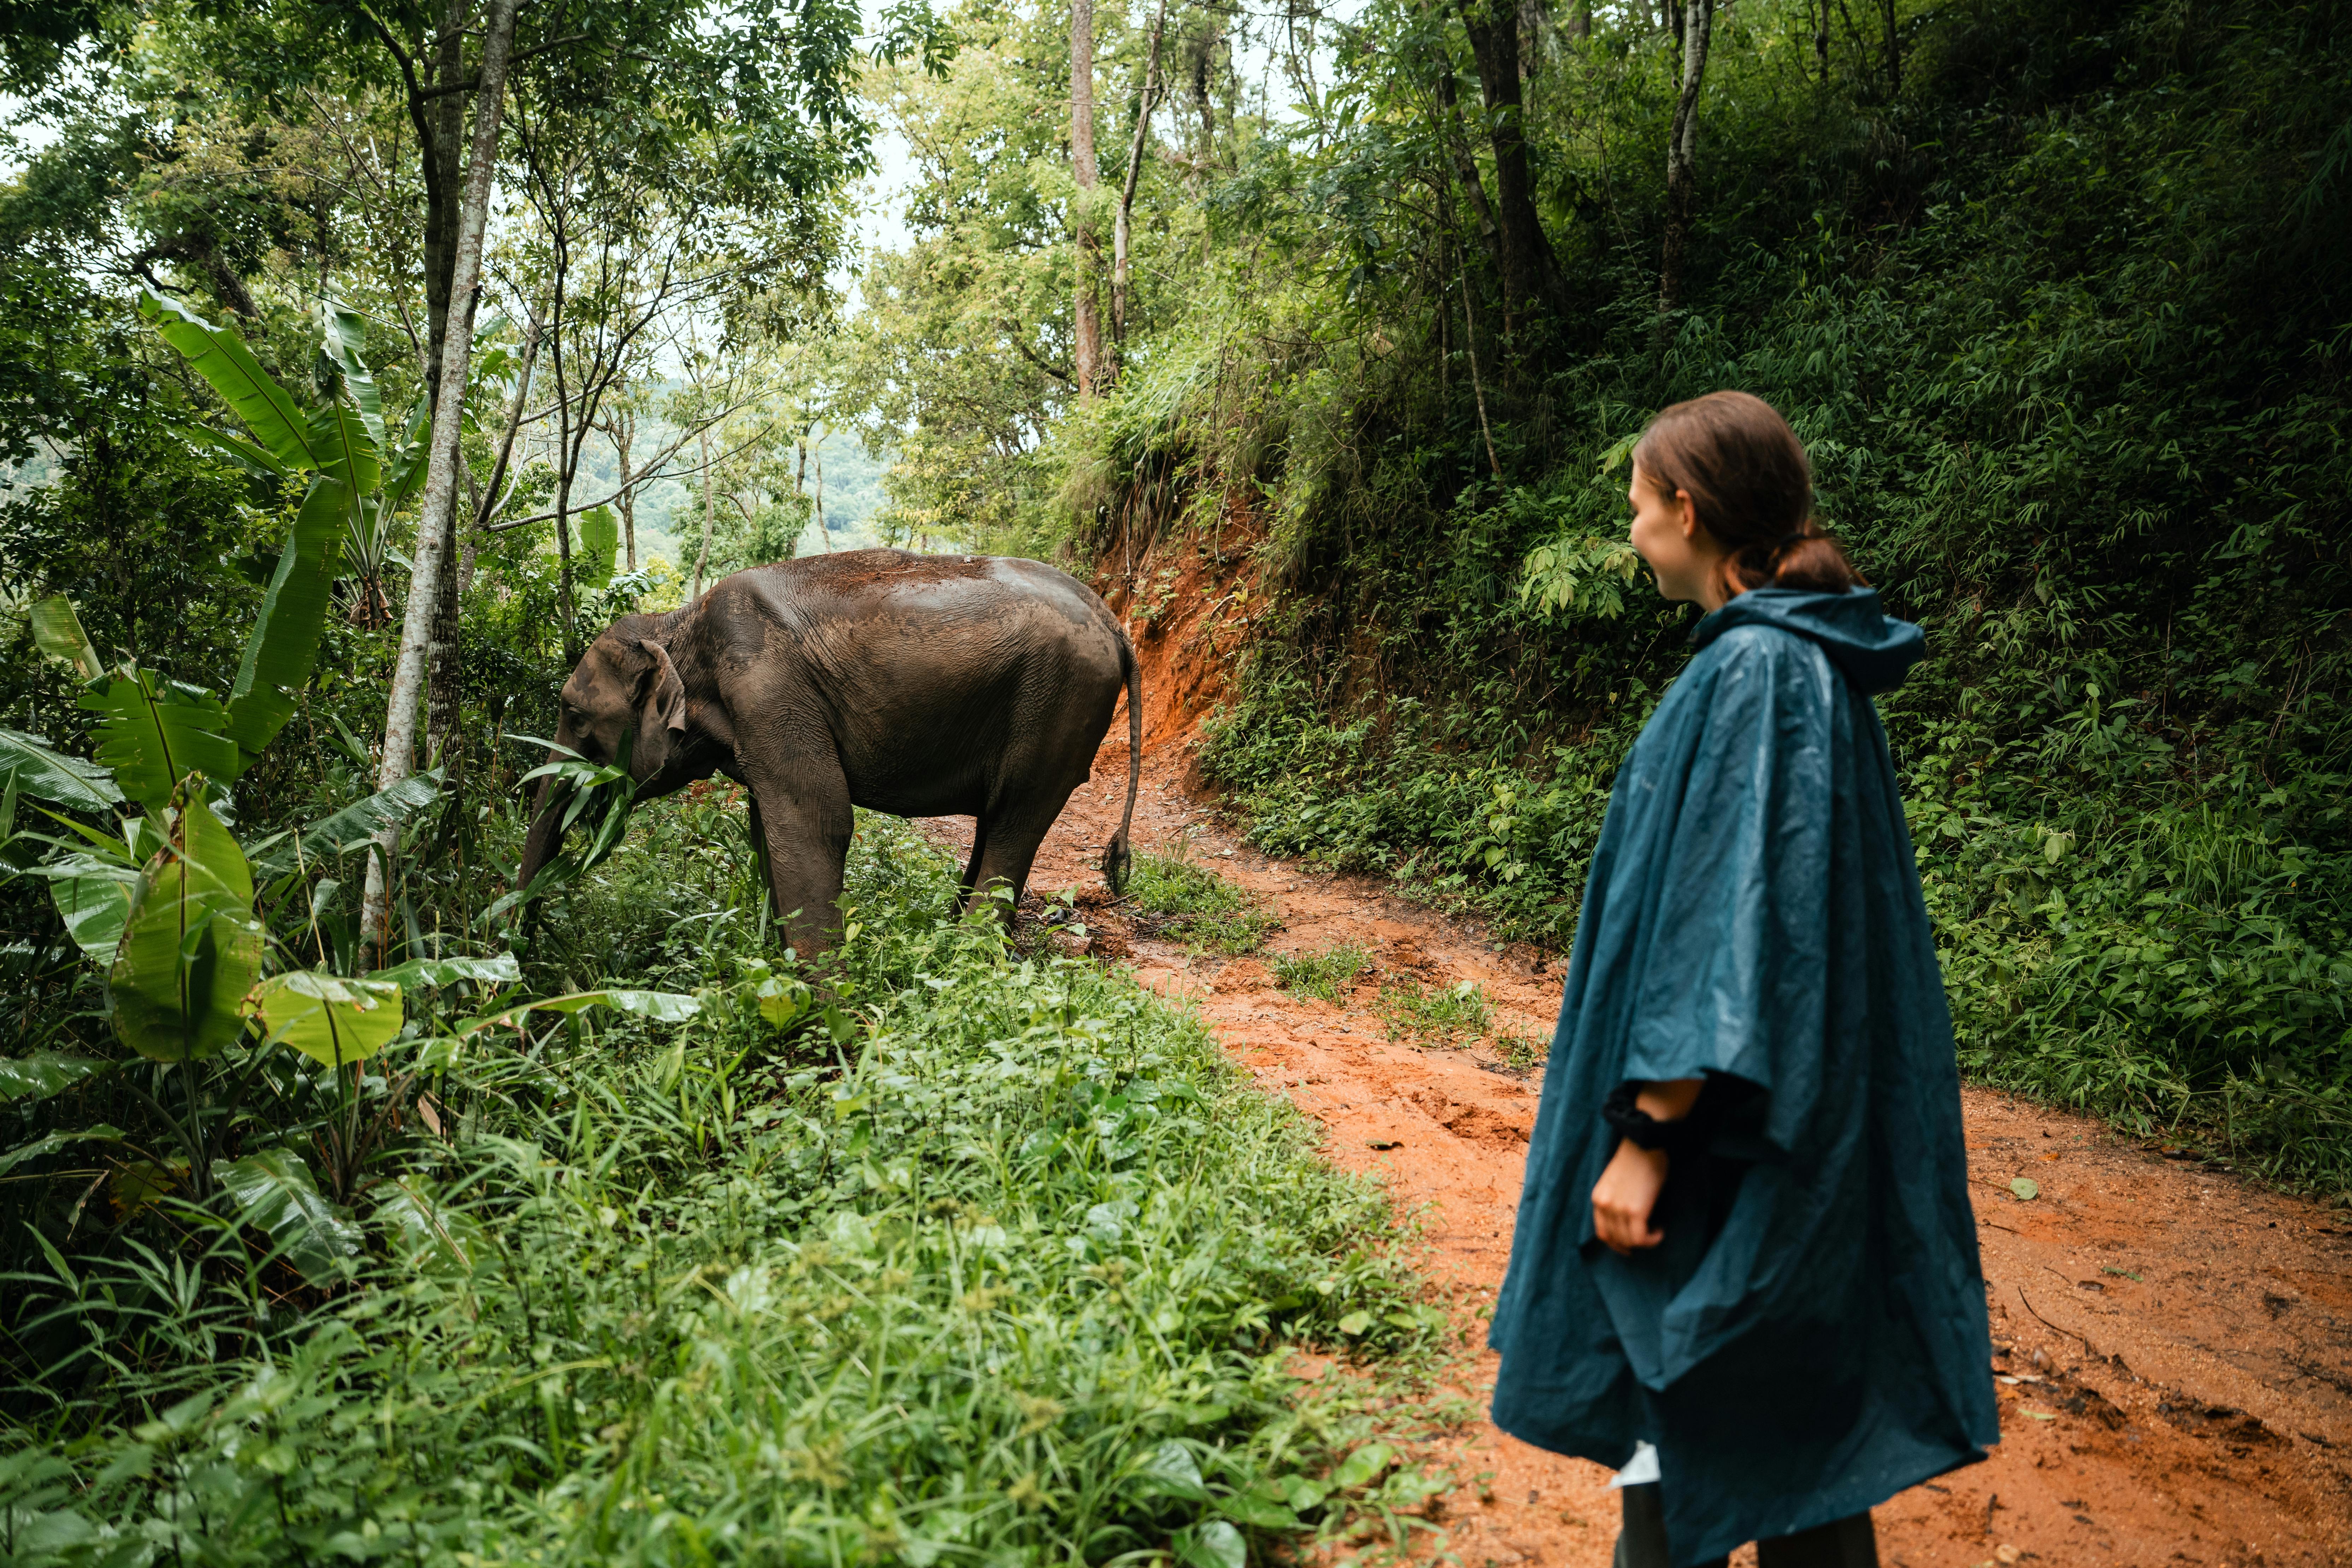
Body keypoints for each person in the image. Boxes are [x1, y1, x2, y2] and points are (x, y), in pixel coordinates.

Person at [1487, 392, 2000, 1568]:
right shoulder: (1805, 662)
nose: (1630, 536)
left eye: (1635, 509)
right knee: (1782, 1425)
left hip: (1723, 1139)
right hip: (1779, 1122)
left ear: (1687, 508)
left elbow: (1728, 927)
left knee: (1692, 1389)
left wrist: (1651, 1134)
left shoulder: (1762, 671)